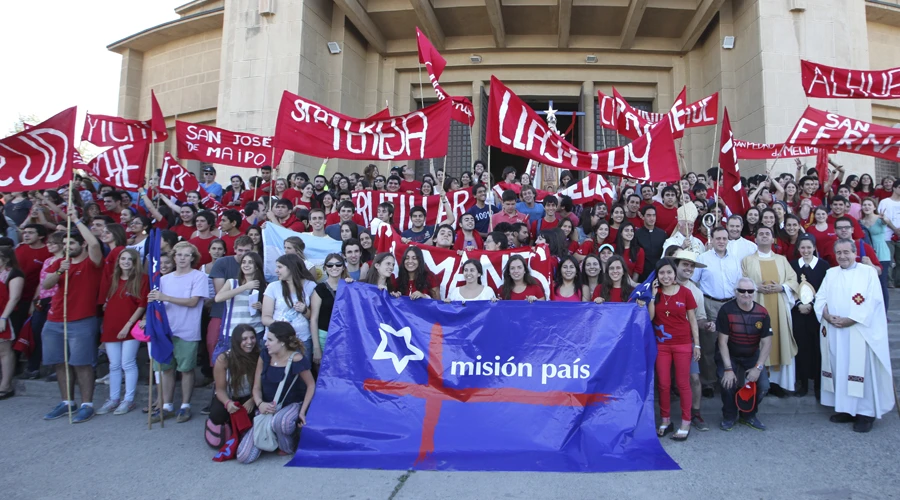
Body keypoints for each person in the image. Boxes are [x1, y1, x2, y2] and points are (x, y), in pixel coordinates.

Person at [814, 239, 894, 433]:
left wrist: (851, 320)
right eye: (839, 253)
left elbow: (874, 300)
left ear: (854, 253)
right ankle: (846, 409)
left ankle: (865, 413)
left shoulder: (868, 272)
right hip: (836, 332)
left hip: (859, 332)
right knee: (840, 370)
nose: (842, 256)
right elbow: (821, 297)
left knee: (861, 372)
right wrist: (826, 315)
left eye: (846, 252)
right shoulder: (831, 273)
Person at [40, 208, 104, 423]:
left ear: (82, 244)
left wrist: (76, 220)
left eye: (72, 244)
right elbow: (46, 284)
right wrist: (60, 271)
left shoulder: (92, 263)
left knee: (82, 363)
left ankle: (87, 404)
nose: (67, 247)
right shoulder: (60, 263)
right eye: (65, 244)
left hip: (82, 320)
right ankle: (67, 401)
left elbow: (94, 244)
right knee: (60, 363)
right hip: (55, 319)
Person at [147, 241, 209, 423]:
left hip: (187, 329)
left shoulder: (199, 277)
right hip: (166, 330)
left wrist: (165, 297)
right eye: (179, 255)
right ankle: (166, 405)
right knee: (166, 369)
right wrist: (153, 301)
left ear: (192, 258)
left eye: (186, 255)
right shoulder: (163, 280)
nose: (182, 258)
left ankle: (185, 405)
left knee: (186, 369)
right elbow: (158, 304)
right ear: (174, 257)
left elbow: (193, 302)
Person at [238, 322, 316, 464]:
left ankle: (287, 445)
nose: (265, 343)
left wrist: (302, 412)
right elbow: (256, 387)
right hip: (266, 409)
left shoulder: (297, 359)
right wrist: (260, 404)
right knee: (244, 456)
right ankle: (271, 436)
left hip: (291, 405)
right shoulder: (265, 355)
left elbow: (311, 385)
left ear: (282, 342)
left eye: (270, 340)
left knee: (282, 422)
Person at [741, 225, 799, 397]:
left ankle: (777, 383)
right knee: (757, 341)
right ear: (756, 239)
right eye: (761, 234)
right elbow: (741, 281)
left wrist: (782, 287)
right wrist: (755, 287)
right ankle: (758, 382)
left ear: (773, 239)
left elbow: (793, 280)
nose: (764, 236)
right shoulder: (747, 260)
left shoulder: (782, 260)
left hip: (779, 308)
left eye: (768, 234)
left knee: (778, 340)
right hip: (756, 306)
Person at [648, 257, 700, 441]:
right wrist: (653, 295)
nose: (666, 276)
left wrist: (697, 344)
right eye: (661, 273)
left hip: (683, 344)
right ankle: (666, 420)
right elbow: (650, 317)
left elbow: (692, 319)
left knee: (682, 383)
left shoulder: (685, 292)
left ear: (674, 272)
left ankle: (686, 421)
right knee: (663, 384)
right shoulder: (656, 293)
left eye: (669, 272)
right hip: (661, 345)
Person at [95, 249, 148, 415]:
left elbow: (142, 305)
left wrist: (128, 326)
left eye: (129, 259)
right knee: (114, 365)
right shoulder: (113, 279)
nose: (126, 262)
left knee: (128, 363)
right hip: (111, 325)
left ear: (135, 262)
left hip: (130, 327)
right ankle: (113, 399)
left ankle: (128, 400)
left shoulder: (142, 279)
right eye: (123, 259)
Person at [716, 277, 773, 431]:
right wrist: (728, 369)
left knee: (763, 386)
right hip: (730, 354)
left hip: (752, 355)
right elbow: (722, 342)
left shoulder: (762, 313)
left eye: (750, 291)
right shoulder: (726, 310)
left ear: (755, 292)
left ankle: (748, 415)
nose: (746, 294)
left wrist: (758, 368)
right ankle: (729, 416)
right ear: (736, 292)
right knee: (727, 382)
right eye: (742, 290)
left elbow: (767, 343)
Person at [671, 249, 712, 430]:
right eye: (685, 264)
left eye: (692, 266)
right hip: (663, 339)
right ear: (676, 265)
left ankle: (695, 413)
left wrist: (706, 325)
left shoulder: (696, 292)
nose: (689, 268)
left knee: (694, 378)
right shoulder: (664, 283)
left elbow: (700, 318)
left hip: (686, 340)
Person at [789, 234, 829, 399]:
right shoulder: (792, 265)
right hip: (798, 313)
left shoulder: (824, 266)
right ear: (798, 249)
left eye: (809, 247)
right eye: (802, 247)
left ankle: (819, 386)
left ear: (814, 248)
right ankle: (803, 384)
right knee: (801, 348)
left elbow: (825, 289)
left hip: (816, 315)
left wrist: (812, 305)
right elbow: (790, 287)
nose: (806, 251)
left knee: (818, 349)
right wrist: (799, 304)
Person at [209, 236, 256, 371]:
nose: (243, 254)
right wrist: (244, 287)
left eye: (247, 251)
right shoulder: (223, 262)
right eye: (240, 250)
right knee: (213, 343)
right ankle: (218, 377)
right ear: (234, 249)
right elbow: (219, 294)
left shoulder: (257, 264)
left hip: (249, 317)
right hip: (223, 312)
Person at [262, 253, 317, 355]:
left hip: (302, 340)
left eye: (280, 267)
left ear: (291, 268)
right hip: (277, 341)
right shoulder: (273, 287)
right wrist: (280, 324)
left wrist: (305, 310)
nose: (276, 271)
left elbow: (314, 317)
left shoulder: (310, 285)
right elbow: (265, 318)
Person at [214, 251, 266, 359]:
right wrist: (245, 287)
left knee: (254, 364)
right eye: (244, 262)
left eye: (250, 262)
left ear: (257, 266)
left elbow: (269, 311)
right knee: (233, 364)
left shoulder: (264, 285)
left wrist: (261, 308)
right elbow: (218, 298)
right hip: (233, 332)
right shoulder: (232, 282)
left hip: (255, 332)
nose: (246, 265)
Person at [209, 324, 259, 433]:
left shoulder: (259, 356)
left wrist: (253, 400)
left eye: (252, 337)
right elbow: (220, 390)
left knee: (249, 417)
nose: (250, 342)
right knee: (218, 416)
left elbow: (261, 385)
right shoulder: (224, 359)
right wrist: (228, 403)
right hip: (228, 396)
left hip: (250, 396)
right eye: (244, 339)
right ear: (236, 341)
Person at [310, 253, 351, 365]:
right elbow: (313, 319)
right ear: (325, 268)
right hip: (324, 337)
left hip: (345, 337)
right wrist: (316, 347)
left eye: (338, 264)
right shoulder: (319, 289)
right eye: (330, 265)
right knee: (323, 373)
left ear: (343, 267)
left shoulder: (350, 287)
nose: (334, 267)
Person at [860, 198, 895, 310]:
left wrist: (885, 219)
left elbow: (886, 222)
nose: (866, 207)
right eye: (864, 205)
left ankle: (884, 311)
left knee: (882, 283)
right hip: (867, 253)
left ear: (874, 207)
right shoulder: (860, 222)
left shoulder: (880, 219)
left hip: (881, 253)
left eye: (869, 205)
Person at [0, 248, 24, 399]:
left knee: (4, 351)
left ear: (6, 259)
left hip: (5, 315)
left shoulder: (14, 274)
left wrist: (3, 318)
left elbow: (14, 298)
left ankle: (5, 385)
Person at [877, 181, 900, 288]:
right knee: (889, 259)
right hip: (887, 235)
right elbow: (882, 217)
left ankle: (898, 281)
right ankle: (889, 281)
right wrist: (895, 229)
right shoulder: (885, 202)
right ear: (894, 188)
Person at [635, 205, 666, 280]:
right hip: (643, 274)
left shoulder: (662, 234)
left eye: (654, 215)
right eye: (648, 215)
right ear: (643, 217)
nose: (652, 218)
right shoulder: (637, 234)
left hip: (659, 272)